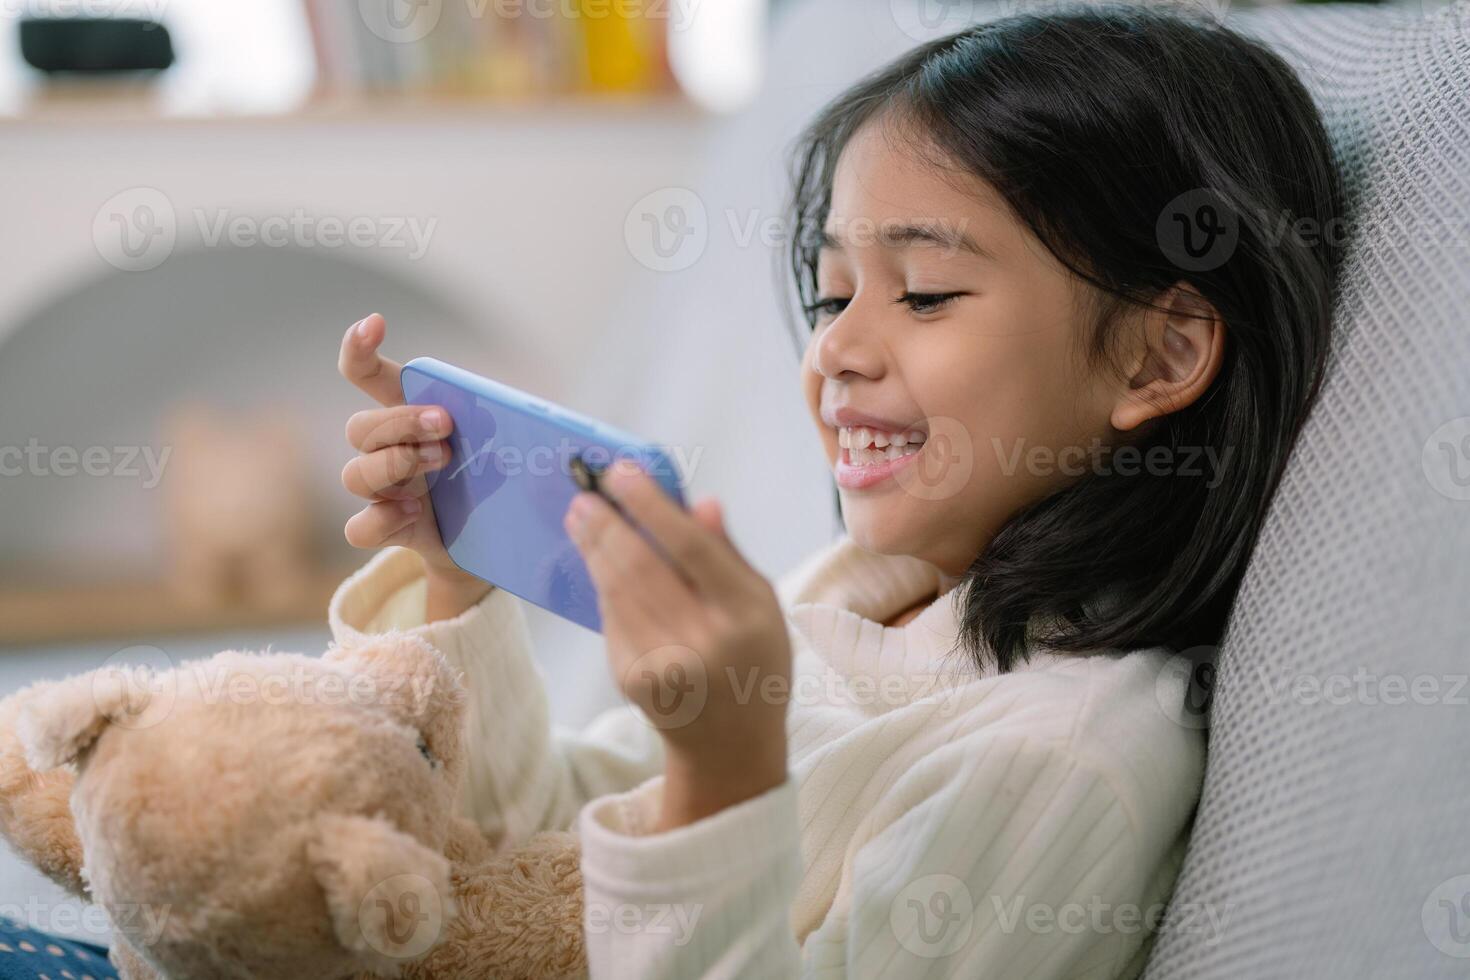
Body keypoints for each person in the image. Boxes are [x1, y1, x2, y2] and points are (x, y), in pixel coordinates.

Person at [332, 7, 1341, 977]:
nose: (837, 348)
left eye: (926, 293)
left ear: (1156, 357)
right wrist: (457, 566)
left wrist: (723, 775)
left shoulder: (1063, 761)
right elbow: (539, 845)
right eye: (831, 292)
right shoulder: (859, 588)